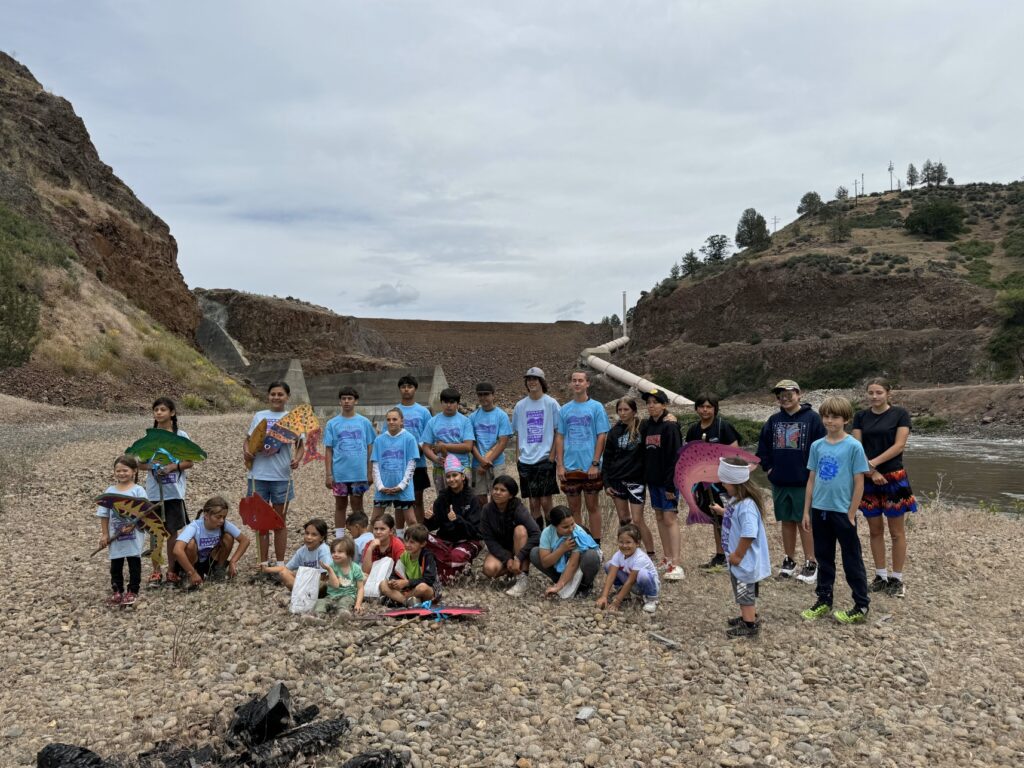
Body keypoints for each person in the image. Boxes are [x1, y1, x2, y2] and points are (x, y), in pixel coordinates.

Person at [800, 397, 871, 625]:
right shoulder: (816, 446)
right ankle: (823, 599)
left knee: (852, 559)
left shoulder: (853, 446)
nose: (830, 421)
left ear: (846, 419)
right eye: (826, 416)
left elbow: (859, 482)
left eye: (835, 417)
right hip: (820, 510)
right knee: (824, 557)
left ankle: (860, 605)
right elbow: (811, 479)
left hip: (842, 512)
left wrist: (851, 513)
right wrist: (806, 511)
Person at [756, 379, 826, 584]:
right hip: (780, 481)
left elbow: (822, 448)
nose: (785, 398)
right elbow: (763, 448)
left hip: (804, 482)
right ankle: (789, 560)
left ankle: (811, 562)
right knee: (786, 521)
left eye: (789, 394)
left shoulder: (813, 419)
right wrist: (768, 469)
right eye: (781, 395)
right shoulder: (773, 420)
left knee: (805, 522)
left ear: (799, 394)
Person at [852, 378, 917, 598]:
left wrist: (873, 464)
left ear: (888, 393)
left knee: (897, 532)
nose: (874, 396)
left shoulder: (900, 414)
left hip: (894, 478)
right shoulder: (860, 416)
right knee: (875, 530)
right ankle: (880, 575)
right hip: (869, 478)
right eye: (870, 392)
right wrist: (871, 471)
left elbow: (899, 445)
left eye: (878, 392)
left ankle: (897, 579)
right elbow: (856, 446)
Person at [244, 381, 305, 565]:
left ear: (287, 397)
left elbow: (300, 444)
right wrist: (246, 451)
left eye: (280, 394)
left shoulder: (292, 418)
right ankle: (263, 563)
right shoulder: (259, 416)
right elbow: (248, 440)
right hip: (257, 476)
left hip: (281, 476)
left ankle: (279, 564)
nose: (276, 397)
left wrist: (297, 459)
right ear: (268, 396)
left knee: (279, 521)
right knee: (261, 523)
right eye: (273, 394)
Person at [709, 459, 771, 638]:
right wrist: (722, 511)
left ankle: (749, 625)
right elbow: (733, 514)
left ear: (736, 483)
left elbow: (749, 533)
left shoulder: (747, 507)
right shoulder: (737, 501)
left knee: (744, 592)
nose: (722, 484)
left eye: (725, 481)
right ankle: (747, 616)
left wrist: (737, 554)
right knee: (743, 591)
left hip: (745, 560)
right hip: (740, 559)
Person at [141, 397, 196, 587]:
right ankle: (156, 572)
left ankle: (172, 571)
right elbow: (138, 463)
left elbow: (190, 461)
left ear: (172, 413)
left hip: (174, 492)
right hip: (154, 493)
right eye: (155, 409)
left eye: (163, 409)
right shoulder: (150, 438)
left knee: (173, 532)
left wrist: (174, 466)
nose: (158, 412)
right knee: (155, 532)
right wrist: (152, 467)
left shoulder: (181, 436)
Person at [684, 393, 741, 573]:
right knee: (715, 516)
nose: (705, 410)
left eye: (709, 407)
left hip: (724, 482)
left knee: (728, 517)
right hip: (704, 482)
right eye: (702, 407)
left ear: (715, 408)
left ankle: (734, 553)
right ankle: (720, 553)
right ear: (696, 409)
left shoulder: (723, 427)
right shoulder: (693, 430)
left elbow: (735, 454)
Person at [555, 370, 610, 543]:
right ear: (571, 384)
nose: (577, 383)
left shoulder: (596, 407)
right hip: (570, 467)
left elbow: (602, 435)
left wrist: (595, 463)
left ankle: (596, 543)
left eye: (580, 380)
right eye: (574, 381)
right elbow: (560, 437)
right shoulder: (565, 409)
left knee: (593, 506)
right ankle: (579, 542)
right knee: (574, 508)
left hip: (590, 466)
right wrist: (560, 464)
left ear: (587, 384)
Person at [640, 389, 684, 581]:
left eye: (655, 402)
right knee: (659, 517)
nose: (651, 406)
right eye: (648, 402)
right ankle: (666, 558)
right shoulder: (647, 426)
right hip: (653, 480)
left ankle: (676, 562)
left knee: (669, 518)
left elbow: (675, 457)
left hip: (668, 482)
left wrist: (670, 486)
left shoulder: (670, 426)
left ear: (664, 405)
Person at [602, 397, 655, 558]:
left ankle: (651, 553)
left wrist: (670, 418)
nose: (623, 413)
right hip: (617, 480)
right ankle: (629, 552)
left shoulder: (643, 426)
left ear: (634, 411)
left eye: (626, 410)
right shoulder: (614, 431)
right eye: (620, 410)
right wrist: (606, 483)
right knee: (624, 520)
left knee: (637, 520)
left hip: (636, 480)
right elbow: (608, 458)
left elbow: (660, 425)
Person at [323, 386, 375, 540]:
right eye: (344, 398)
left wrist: (369, 471)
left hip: (358, 472)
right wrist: (328, 474)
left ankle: (360, 537)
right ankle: (339, 538)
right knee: (340, 505)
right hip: (340, 472)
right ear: (340, 401)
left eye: (350, 398)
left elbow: (370, 446)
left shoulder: (364, 422)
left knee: (357, 505)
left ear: (356, 401)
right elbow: (328, 450)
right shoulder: (332, 424)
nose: (346, 401)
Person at [511, 367, 561, 527]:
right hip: (525, 460)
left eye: (535, 379)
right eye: (529, 379)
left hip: (545, 458)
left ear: (542, 381)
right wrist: (517, 456)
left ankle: (552, 533)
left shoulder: (551, 404)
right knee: (533, 502)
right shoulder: (520, 406)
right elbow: (518, 432)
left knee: (546, 501)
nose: (531, 382)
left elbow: (558, 431)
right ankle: (537, 537)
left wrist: (553, 456)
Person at [96, 455, 147, 606]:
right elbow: (104, 514)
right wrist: (105, 534)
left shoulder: (138, 491)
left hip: (133, 536)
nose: (121, 473)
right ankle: (117, 591)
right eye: (118, 471)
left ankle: (133, 591)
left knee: (134, 562)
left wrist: (134, 524)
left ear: (134, 471)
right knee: (116, 564)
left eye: (125, 470)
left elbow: (144, 513)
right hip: (115, 536)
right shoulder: (110, 491)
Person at [424, 455, 484, 583]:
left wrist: (457, 520)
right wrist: (429, 518)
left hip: (467, 540)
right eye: (448, 476)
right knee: (421, 540)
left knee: (455, 556)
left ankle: (449, 569)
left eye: (455, 475)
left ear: (463, 477)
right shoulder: (442, 497)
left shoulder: (473, 498)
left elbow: (476, 531)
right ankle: (450, 567)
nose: (451, 479)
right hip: (445, 540)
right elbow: (433, 526)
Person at [480, 475, 541, 597]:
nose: (497, 493)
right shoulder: (487, 510)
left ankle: (522, 577)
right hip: (502, 549)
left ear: (511, 495)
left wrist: (518, 557)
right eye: (495, 489)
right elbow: (489, 540)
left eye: (502, 490)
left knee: (520, 530)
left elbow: (536, 533)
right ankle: (512, 570)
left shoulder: (518, 509)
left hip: (519, 547)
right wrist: (507, 558)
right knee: (489, 569)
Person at [173, 496, 251, 588]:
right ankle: (187, 575)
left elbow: (245, 540)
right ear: (206, 515)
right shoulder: (194, 526)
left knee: (228, 537)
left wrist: (233, 561)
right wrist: (192, 572)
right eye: (218, 517)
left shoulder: (224, 524)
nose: (222, 520)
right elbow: (177, 550)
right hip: (193, 563)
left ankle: (218, 570)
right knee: (190, 544)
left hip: (210, 561)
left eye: (224, 517)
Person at [531, 505, 603, 599]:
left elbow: (573, 564)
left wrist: (558, 587)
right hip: (561, 565)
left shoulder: (576, 533)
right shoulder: (547, 533)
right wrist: (562, 549)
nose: (571, 529)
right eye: (565, 527)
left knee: (591, 555)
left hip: (578, 567)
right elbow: (545, 562)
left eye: (572, 524)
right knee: (535, 553)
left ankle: (585, 585)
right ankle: (559, 579)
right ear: (554, 526)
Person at [370, 408, 421, 527]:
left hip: (404, 488)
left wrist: (402, 485)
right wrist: (380, 486)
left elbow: (412, 464)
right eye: (388, 419)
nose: (391, 422)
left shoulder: (409, 438)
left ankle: (412, 543)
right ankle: (368, 544)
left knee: (411, 521)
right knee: (374, 520)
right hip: (384, 487)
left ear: (401, 421)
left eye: (394, 419)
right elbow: (375, 464)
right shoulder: (379, 440)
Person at [395, 374, 434, 526]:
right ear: (400, 389)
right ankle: (399, 531)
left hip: (418, 461)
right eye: (403, 387)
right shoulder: (395, 410)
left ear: (415, 389)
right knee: (399, 498)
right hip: (398, 462)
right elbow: (387, 434)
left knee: (417, 498)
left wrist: (418, 448)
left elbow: (428, 435)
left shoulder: (423, 412)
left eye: (409, 386)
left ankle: (419, 530)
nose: (406, 390)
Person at [595, 524, 660, 614]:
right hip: (633, 584)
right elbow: (611, 575)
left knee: (643, 574)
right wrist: (604, 596)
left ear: (637, 543)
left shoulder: (640, 557)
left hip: (646, 584)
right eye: (621, 542)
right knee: (608, 565)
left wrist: (617, 602)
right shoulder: (618, 555)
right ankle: (623, 592)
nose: (624, 546)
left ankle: (652, 598)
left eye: (628, 542)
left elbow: (630, 581)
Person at [420, 387, 475, 490]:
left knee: (463, 502)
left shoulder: (465, 421)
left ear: (458, 403)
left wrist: (444, 446)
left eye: (452, 402)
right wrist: (435, 458)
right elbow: (426, 447)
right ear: (441, 402)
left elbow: (468, 446)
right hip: (440, 468)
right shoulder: (433, 422)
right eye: (445, 402)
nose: (448, 405)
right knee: (443, 502)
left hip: (462, 467)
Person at [469, 382, 513, 506]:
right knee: (479, 498)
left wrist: (486, 463)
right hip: (478, 463)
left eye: (486, 394)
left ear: (493, 395)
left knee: (499, 497)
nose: (483, 398)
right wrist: (481, 461)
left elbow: (503, 442)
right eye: (480, 395)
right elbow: (471, 442)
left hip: (496, 463)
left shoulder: (501, 416)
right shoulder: (472, 417)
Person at [261, 518, 332, 591]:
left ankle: (303, 592)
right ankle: (302, 592)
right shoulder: (302, 551)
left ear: (322, 538)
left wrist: (304, 580)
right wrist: (266, 569)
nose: (309, 537)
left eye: (314, 535)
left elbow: (324, 577)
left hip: (321, 586)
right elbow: (286, 568)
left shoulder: (324, 550)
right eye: (307, 533)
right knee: (284, 573)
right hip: (307, 582)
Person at [380, 524, 441, 607]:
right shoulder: (404, 555)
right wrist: (393, 582)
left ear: (422, 544)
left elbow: (429, 580)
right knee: (383, 584)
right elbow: (395, 574)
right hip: (409, 590)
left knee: (422, 588)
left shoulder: (427, 556)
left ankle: (400, 600)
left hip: (426, 591)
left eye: (412, 542)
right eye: (406, 541)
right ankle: (406, 602)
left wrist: (407, 582)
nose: (407, 544)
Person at [316, 536, 366, 615]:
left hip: (348, 596)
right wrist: (330, 570)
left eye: (339, 552)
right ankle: (318, 617)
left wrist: (358, 604)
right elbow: (335, 585)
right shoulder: (332, 566)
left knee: (344, 604)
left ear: (349, 553)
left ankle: (343, 616)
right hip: (331, 596)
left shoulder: (355, 568)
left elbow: (360, 588)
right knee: (320, 602)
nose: (335, 554)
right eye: (333, 552)